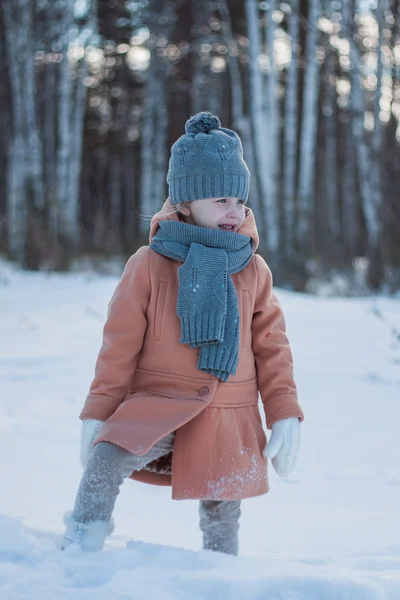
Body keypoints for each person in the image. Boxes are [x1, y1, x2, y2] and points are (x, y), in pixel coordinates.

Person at [62, 111, 304, 555]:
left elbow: (273, 349)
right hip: (159, 404)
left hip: (228, 411)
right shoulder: (149, 264)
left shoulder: (253, 270)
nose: (233, 211)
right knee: (105, 459)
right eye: (218, 200)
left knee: (222, 504)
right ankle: (80, 547)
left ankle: (220, 575)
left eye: (238, 199)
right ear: (186, 203)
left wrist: (284, 413)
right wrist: (98, 410)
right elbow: (119, 345)